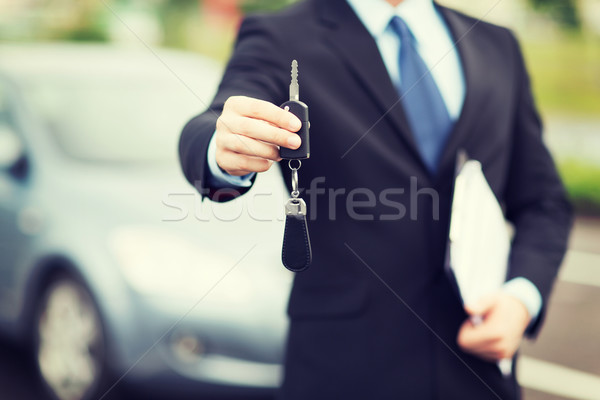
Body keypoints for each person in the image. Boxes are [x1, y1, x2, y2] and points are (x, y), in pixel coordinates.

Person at [179, 0, 573, 398]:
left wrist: (521, 299)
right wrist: (221, 147)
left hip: (479, 372)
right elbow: (209, 127)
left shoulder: (497, 43)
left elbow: (544, 202)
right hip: (345, 371)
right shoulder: (280, 35)